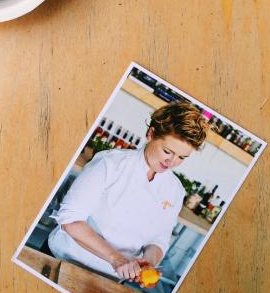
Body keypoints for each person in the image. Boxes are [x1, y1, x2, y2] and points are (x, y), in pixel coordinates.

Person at [48, 101, 208, 282]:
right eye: (167, 151)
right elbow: (70, 220)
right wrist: (116, 259)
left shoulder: (175, 190)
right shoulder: (109, 164)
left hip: (113, 279)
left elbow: (159, 240)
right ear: (151, 134)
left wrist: (147, 263)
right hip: (65, 260)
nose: (172, 162)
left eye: (182, 157)